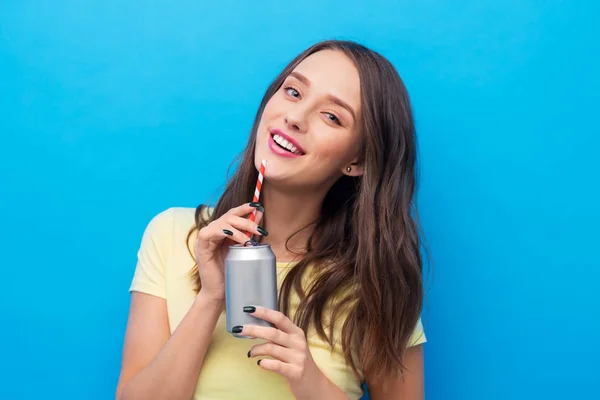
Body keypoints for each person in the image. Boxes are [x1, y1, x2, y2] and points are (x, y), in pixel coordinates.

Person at [116, 39, 427, 400]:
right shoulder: (173, 234)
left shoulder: (375, 283)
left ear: (357, 162)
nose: (294, 117)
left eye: (332, 116)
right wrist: (211, 297)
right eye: (293, 91)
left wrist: (310, 381)